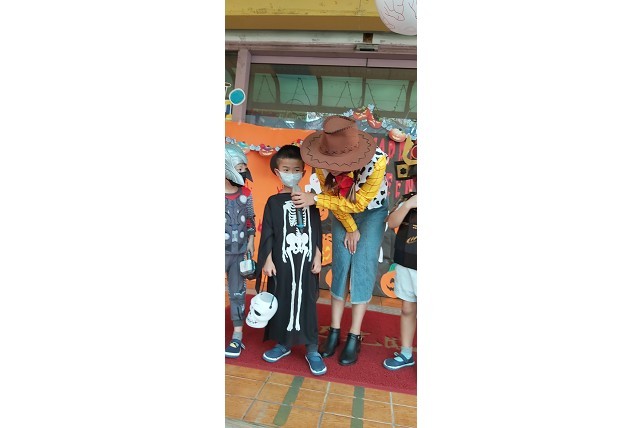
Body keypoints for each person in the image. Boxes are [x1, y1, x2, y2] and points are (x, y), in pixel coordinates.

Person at [292, 115, 388, 366]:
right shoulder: (320, 158)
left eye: (340, 164)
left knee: (363, 267)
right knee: (341, 263)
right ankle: (334, 331)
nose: (332, 168)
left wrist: (316, 199)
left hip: (372, 212)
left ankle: (354, 335)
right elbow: (334, 198)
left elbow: (358, 203)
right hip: (340, 210)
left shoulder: (377, 161)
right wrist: (350, 228)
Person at [255, 145, 326, 375]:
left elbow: (317, 230)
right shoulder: (273, 202)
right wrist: (267, 259)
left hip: (306, 259)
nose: (291, 173)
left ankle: (312, 349)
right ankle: (283, 343)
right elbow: (268, 233)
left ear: (303, 172)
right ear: (277, 172)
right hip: (281, 261)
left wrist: (317, 255)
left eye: (296, 170)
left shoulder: (310, 200)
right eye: (286, 169)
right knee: (282, 296)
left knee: (307, 300)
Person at [225, 144, 256, 358]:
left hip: (239, 253)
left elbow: (250, 220)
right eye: (239, 168)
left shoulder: (246, 194)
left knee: (237, 292)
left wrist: (251, 241)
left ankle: (237, 335)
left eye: (245, 168)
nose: (243, 172)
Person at [382, 192, 417, 370]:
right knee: (407, 309)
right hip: (406, 263)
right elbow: (391, 223)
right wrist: (409, 204)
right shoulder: (408, 198)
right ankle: (406, 353)